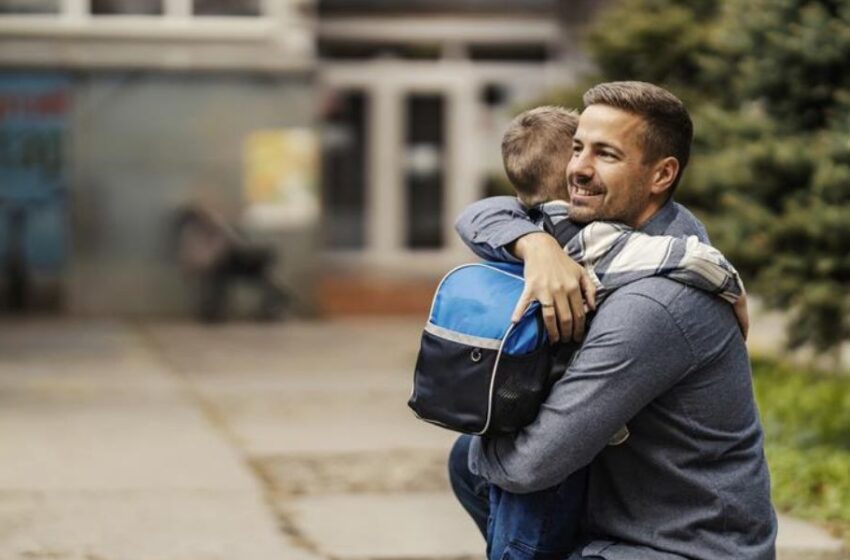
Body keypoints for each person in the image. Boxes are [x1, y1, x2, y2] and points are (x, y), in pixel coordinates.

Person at [449, 82, 777, 559]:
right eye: (578, 147)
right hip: (610, 525)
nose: (578, 168)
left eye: (606, 154)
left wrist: (485, 439)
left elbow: (530, 467)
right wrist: (534, 245)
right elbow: (485, 213)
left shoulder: (652, 305)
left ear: (661, 174)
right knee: (468, 463)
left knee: (496, 465)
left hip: (677, 548)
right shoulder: (614, 239)